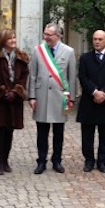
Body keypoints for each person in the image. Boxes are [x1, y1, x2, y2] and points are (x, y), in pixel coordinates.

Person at [29, 23, 76, 174]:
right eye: (45, 34)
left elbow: (72, 76)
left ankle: (57, 160)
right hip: (41, 96)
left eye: (49, 35)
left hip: (60, 97)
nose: (46, 37)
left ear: (58, 36)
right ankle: (41, 161)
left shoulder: (69, 51)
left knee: (59, 132)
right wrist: (32, 96)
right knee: (42, 132)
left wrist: (72, 98)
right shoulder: (38, 51)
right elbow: (33, 75)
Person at [0, 29, 29, 175]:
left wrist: (16, 91)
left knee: (10, 129)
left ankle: (6, 159)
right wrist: (3, 91)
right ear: (4, 40)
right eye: (10, 38)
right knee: (0, 129)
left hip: (14, 99)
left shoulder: (21, 57)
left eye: (15, 37)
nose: (13, 40)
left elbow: (23, 76)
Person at [76, 30, 105, 173]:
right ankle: (89, 160)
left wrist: (104, 92)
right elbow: (82, 77)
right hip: (89, 100)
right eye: (95, 39)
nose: (97, 42)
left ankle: (102, 161)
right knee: (87, 134)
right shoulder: (85, 58)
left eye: (100, 39)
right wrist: (95, 92)